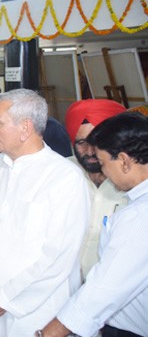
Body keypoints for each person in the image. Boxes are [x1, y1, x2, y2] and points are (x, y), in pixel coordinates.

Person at [0, 89, 89, 336]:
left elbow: (58, 257)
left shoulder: (64, 176)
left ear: (25, 128)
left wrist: (2, 299)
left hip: (36, 310)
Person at [39, 112, 148, 337]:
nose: (103, 171)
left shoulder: (138, 217)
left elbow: (104, 290)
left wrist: (49, 334)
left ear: (125, 161)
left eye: (103, 162)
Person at [65, 99, 127, 279]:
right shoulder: (62, 174)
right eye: (81, 142)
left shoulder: (132, 181)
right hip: (64, 286)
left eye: (97, 141)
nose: (90, 151)